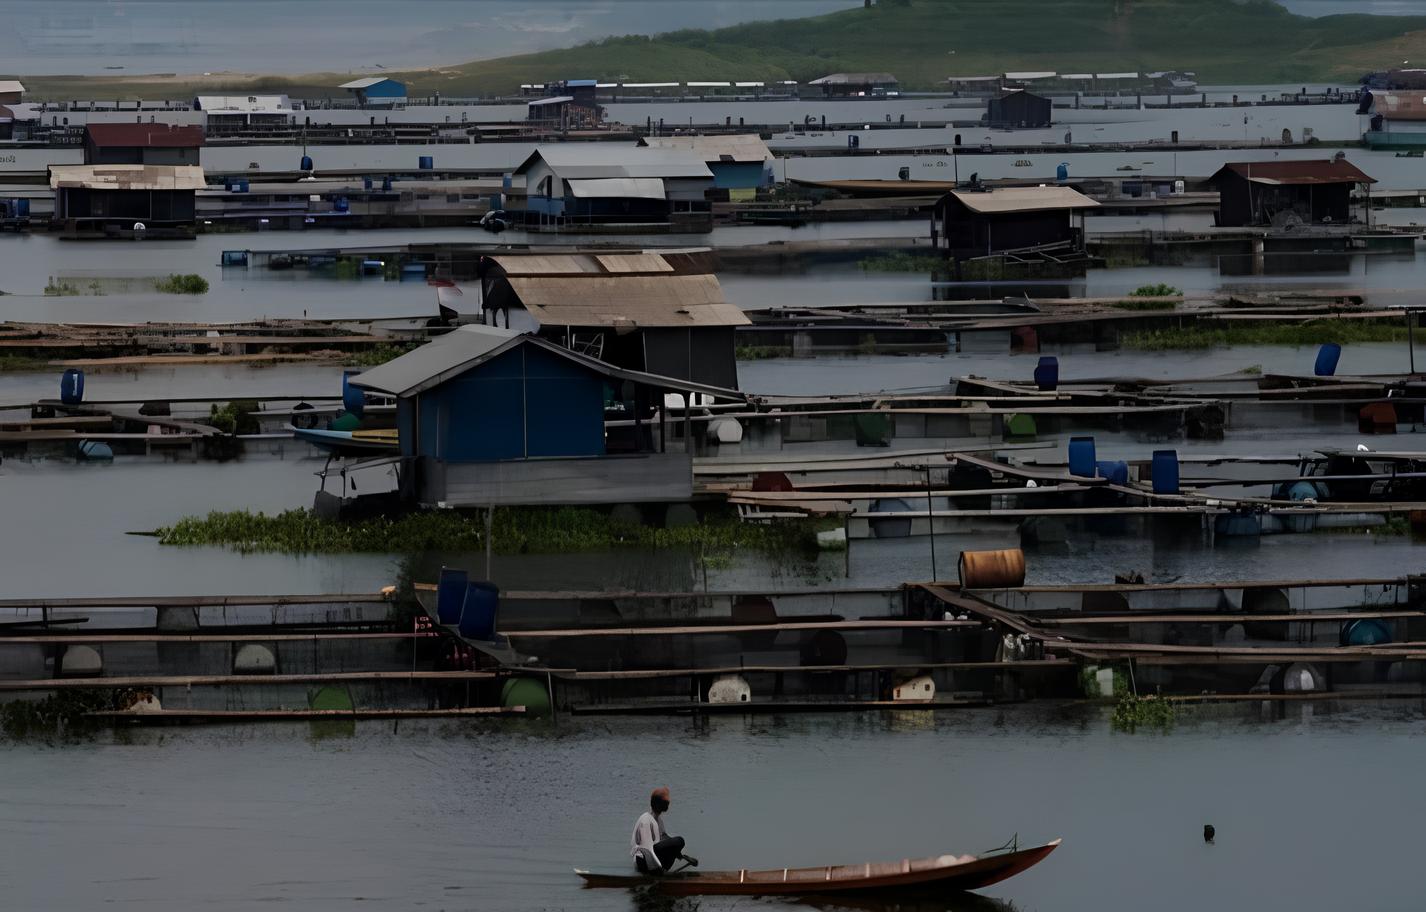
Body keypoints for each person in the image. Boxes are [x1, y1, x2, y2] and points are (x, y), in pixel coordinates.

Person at [630, 786, 688, 874]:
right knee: (679, 840)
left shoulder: (658, 820)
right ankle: (657, 871)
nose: (668, 805)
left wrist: (679, 854)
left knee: (676, 844)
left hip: (652, 859)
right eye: (666, 803)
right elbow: (647, 849)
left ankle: (661, 870)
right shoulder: (646, 820)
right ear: (658, 804)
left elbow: (664, 837)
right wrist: (658, 869)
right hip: (642, 861)